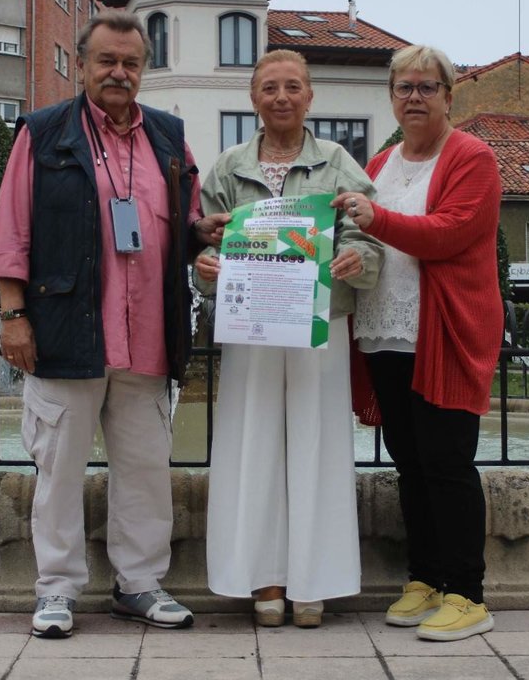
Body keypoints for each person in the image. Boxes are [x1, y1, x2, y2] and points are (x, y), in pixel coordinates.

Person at [0, 10, 227, 640]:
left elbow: (190, 219)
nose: (119, 73)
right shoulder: (42, 134)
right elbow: (11, 231)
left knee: (146, 472)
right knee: (59, 470)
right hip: (67, 330)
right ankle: (57, 590)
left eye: (131, 63)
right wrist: (14, 316)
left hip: (150, 335)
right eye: (106, 61)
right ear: (84, 63)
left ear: (143, 70)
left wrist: (206, 235)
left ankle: (139, 585)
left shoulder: (170, 137)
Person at [194, 49, 383, 628]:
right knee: (250, 446)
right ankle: (264, 579)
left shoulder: (338, 163)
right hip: (251, 325)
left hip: (319, 322)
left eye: (293, 87)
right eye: (270, 87)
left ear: (310, 96)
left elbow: (369, 233)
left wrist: (358, 257)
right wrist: (206, 264)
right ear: (254, 98)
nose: (281, 97)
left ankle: (313, 581)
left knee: (319, 445)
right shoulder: (227, 167)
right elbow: (207, 238)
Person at [332, 44, 503, 642]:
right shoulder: (378, 165)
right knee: (410, 463)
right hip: (384, 331)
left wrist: (374, 223)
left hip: (443, 330)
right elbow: (362, 238)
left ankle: (468, 593)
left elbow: (450, 234)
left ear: (449, 97)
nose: (414, 97)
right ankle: (426, 576)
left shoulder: (472, 158)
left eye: (427, 87)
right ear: (391, 97)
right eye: (403, 87)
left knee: (447, 462)